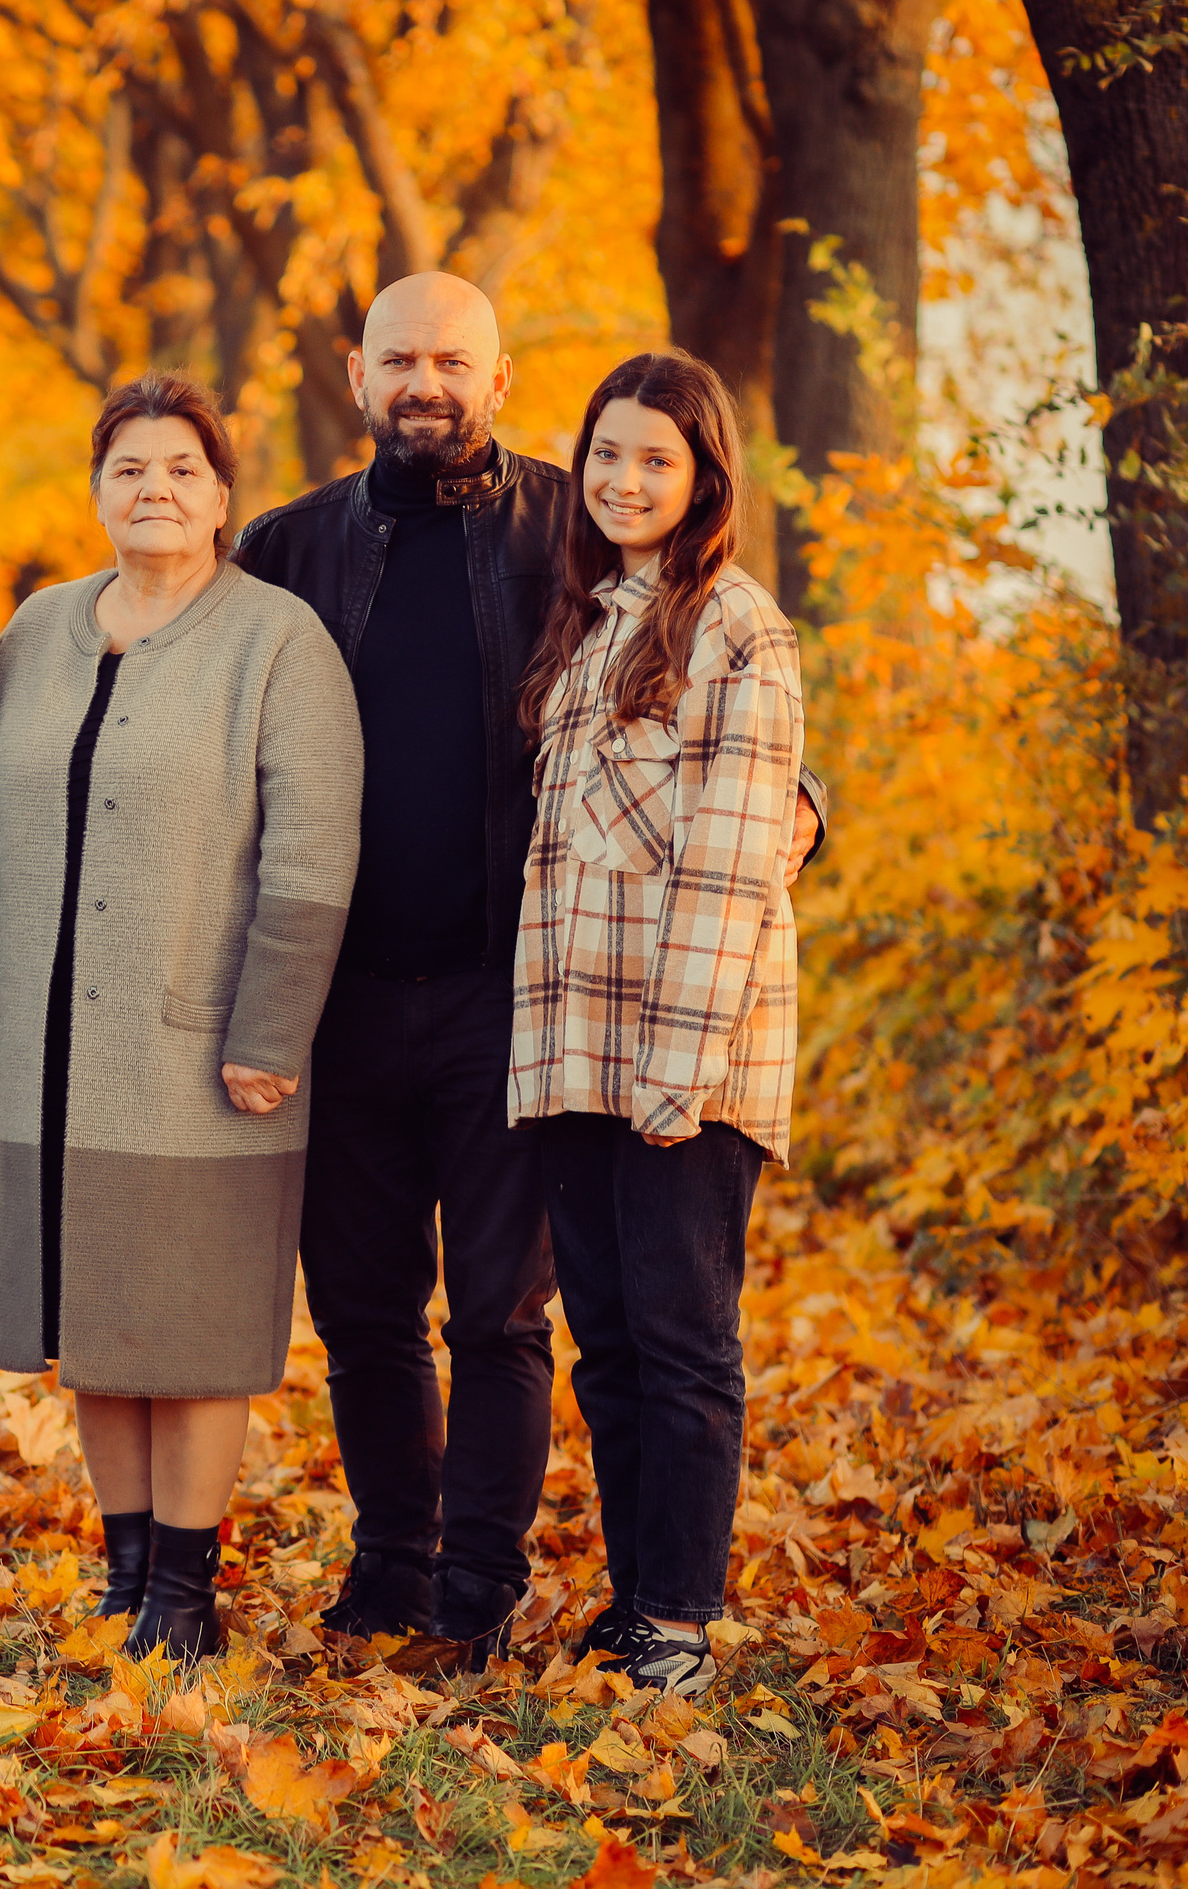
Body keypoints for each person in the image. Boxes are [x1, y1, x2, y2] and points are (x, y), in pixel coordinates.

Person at [236, 274, 824, 1667]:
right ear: (356, 374)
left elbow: (730, 714)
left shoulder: (577, 522)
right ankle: (396, 1566)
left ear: (498, 381)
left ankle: (486, 1588)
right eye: (399, 358)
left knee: (506, 1313)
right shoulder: (286, 547)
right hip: (346, 999)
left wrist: (808, 805)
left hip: (514, 1003)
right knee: (367, 1309)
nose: (424, 381)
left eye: (454, 359)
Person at [0, 372, 363, 1661]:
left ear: (221, 495)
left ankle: (185, 1599)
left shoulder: (277, 642)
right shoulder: (39, 629)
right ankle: (127, 1576)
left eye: (181, 469)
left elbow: (313, 852)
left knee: (190, 1327)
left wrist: (271, 1030)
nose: (154, 489)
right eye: (129, 468)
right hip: (55, 1046)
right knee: (95, 1320)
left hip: (201, 1048)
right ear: (96, 490)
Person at [509, 352, 802, 1697]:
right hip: (573, 1049)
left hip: (685, 1056)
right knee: (610, 1344)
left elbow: (733, 866)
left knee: (683, 1344)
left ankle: (679, 1622)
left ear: (704, 478)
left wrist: (674, 1075)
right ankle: (635, 1606)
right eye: (607, 454)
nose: (624, 480)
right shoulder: (585, 625)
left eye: (656, 460)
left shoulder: (738, 629)